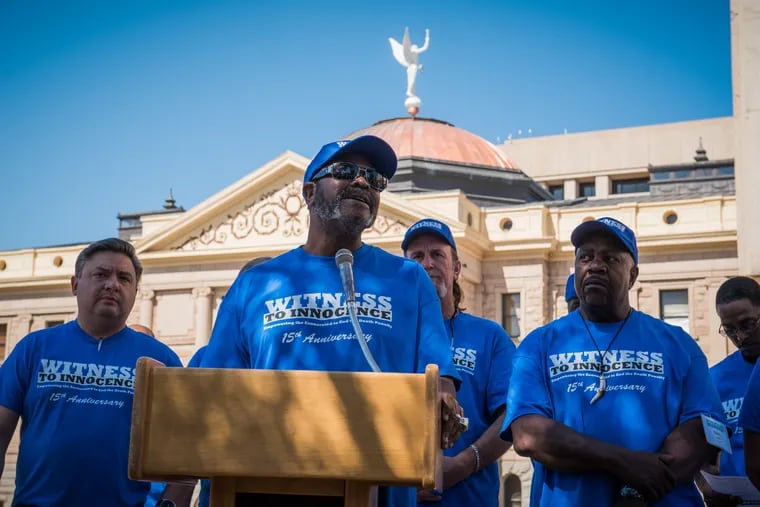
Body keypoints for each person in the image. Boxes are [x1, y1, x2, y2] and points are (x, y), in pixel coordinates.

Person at [200, 135, 464, 507]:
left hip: (377, 486)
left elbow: (440, 380)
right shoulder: (255, 283)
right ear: (309, 193)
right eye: (345, 171)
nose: (362, 182)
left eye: (374, 179)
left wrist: (444, 404)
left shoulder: (409, 279)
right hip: (267, 484)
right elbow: (213, 392)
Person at [501, 216, 724, 507]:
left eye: (610, 258)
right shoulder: (539, 345)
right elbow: (527, 434)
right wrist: (623, 462)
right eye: (585, 257)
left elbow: (702, 429)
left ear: (633, 275)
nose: (595, 265)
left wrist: (637, 493)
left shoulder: (678, 344)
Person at [0, 238, 183, 506]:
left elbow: (187, 447)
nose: (113, 284)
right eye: (101, 274)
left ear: (135, 291)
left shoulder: (162, 359)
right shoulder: (33, 349)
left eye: (124, 278)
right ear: (75, 284)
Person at [401, 218, 514, 507]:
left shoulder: (490, 336)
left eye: (438, 255)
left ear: (456, 269)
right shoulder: (389, 336)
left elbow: (511, 417)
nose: (428, 264)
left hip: (471, 498)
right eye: (417, 256)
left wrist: (462, 465)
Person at [698, 277, 760, 506]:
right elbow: (705, 449)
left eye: (748, 324)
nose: (740, 337)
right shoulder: (715, 379)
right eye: (729, 329)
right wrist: (706, 484)